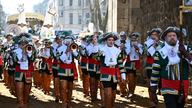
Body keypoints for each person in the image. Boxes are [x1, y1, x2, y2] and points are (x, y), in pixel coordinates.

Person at [150, 27, 192, 108]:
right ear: (165, 38)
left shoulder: (186, 49)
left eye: (174, 35)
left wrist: (185, 53)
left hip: (182, 87)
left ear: (177, 37)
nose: (172, 37)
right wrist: (153, 91)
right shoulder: (160, 52)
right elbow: (155, 72)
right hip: (167, 86)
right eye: (169, 36)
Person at [96, 32, 125, 108]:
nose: (111, 41)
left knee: (113, 96)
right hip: (105, 74)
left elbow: (120, 63)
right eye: (109, 40)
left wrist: (123, 74)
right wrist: (97, 49)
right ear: (105, 41)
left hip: (114, 75)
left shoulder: (117, 51)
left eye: (112, 40)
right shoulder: (102, 50)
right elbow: (96, 57)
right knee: (108, 94)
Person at [56, 32, 80, 108]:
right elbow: (59, 60)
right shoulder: (60, 49)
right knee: (63, 87)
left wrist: (73, 51)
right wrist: (66, 52)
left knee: (70, 88)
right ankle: (64, 103)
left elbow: (78, 57)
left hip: (71, 70)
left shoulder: (74, 47)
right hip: (63, 70)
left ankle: (69, 102)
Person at [12, 37, 36, 108]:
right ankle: (20, 103)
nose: (23, 46)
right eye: (21, 44)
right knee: (19, 88)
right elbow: (14, 60)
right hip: (19, 71)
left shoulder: (30, 50)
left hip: (27, 71)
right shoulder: (15, 51)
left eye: (25, 44)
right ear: (19, 45)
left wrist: (29, 53)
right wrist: (22, 54)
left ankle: (25, 103)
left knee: (26, 89)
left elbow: (33, 59)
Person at [143, 28, 162, 107]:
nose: (154, 36)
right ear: (150, 35)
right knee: (151, 83)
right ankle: (152, 100)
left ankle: (155, 96)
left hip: (158, 65)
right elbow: (146, 53)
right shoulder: (146, 43)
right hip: (150, 66)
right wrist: (153, 45)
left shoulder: (161, 43)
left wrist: (159, 44)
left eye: (156, 34)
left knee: (157, 82)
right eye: (153, 34)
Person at [123, 32, 143, 101]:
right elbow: (127, 52)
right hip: (129, 63)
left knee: (134, 81)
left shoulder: (139, 45)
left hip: (136, 64)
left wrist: (137, 47)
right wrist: (131, 47)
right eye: (132, 38)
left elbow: (141, 53)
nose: (133, 39)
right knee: (130, 79)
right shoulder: (126, 45)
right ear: (130, 38)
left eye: (135, 38)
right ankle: (130, 93)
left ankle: (132, 93)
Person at [86, 34, 100, 101]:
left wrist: (96, 44)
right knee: (92, 81)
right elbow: (91, 53)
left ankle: (96, 95)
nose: (94, 40)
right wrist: (95, 45)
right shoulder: (88, 47)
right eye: (93, 39)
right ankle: (92, 95)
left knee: (97, 81)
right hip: (91, 65)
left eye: (95, 39)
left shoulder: (99, 46)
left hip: (98, 66)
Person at [52, 35, 63, 102]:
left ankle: (62, 95)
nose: (59, 40)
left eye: (60, 39)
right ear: (56, 40)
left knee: (62, 81)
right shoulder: (53, 47)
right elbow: (55, 55)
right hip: (56, 65)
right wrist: (58, 48)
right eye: (58, 39)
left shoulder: (65, 46)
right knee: (56, 81)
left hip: (62, 65)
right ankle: (56, 95)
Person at [118, 31, 128, 97]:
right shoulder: (117, 44)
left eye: (124, 37)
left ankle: (125, 90)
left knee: (125, 77)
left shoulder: (128, 44)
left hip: (126, 61)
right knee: (120, 76)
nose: (123, 39)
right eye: (122, 37)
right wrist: (120, 48)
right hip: (120, 61)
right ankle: (121, 90)